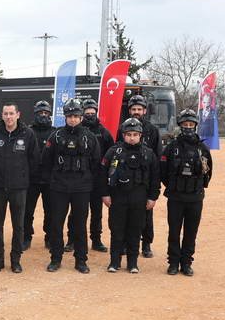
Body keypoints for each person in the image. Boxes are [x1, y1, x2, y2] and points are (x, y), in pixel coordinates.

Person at [41, 99, 101, 274]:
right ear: (65, 117)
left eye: (76, 116)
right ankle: (55, 258)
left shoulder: (90, 137)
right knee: (56, 224)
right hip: (59, 187)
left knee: (80, 225)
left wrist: (89, 182)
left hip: (81, 188)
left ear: (81, 117)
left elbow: (96, 163)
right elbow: (46, 161)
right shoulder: (56, 136)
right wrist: (52, 181)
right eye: (70, 116)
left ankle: (81, 260)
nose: (73, 119)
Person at [98, 117, 160, 273]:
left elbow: (155, 178)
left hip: (139, 197)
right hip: (118, 196)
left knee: (135, 230)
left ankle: (133, 263)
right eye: (129, 134)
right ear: (123, 135)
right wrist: (105, 194)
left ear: (140, 135)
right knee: (117, 230)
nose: (132, 138)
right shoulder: (113, 152)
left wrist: (153, 197)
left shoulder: (148, 153)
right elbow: (102, 174)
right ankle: (114, 262)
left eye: (135, 134)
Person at [0, 103, 39, 273]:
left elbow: (34, 161)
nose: (8, 117)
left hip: (19, 188)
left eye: (11, 113)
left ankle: (16, 260)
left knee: (19, 226)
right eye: (6, 114)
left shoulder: (28, 134)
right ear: (2, 115)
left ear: (18, 114)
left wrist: (24, 179)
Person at [160, 109, 213, 276]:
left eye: (191, 124)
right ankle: (173, 263)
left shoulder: (202, 148)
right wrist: (173, 186)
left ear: (195, 126)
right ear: (180, 125)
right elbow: (163, 171)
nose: (188, 127)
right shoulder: (171, 147)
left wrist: (197, 187)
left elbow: (208, 172)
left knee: (191, 232)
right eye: (185, 124)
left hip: (195, 198)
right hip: (175, 197)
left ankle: (187, 263)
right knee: (174, 232)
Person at [67, 97, 115, 253]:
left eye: (92, 112)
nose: (89, 115)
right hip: (78, 178)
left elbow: (112, 154)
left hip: (97, 178)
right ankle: (71, 240)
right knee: (75, 211)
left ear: (96, 112)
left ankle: (96, 240)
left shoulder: (104, 133)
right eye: (86, 113)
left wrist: (107, 176)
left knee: (96, 211)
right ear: (82, 114)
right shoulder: (74, 131)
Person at [118, 94, 162, 258]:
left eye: (139, 109)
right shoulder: (122, 128)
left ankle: (146, 244)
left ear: (144, 110)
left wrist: (155, 184)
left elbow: (158, 157)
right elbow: (117, 151)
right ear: (129, 110)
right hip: (126, 177)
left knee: (147, 214)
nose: (136, 112)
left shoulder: (153, 130)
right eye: (133, 109)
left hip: (145, 179)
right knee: (125, 214)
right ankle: (124, 244)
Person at [24, 100, 54, 251]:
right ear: (35, 114)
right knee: (27, 210)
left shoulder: (55, 132)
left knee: (51, 211)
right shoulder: (27, 132)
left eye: (46, 113)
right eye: (40, 113)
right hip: (31, 179)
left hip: (50, 180)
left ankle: (49, 238)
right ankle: (26, 237)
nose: (43, 115)